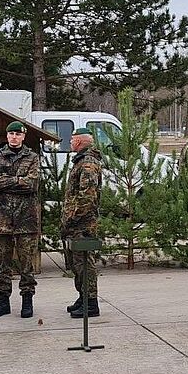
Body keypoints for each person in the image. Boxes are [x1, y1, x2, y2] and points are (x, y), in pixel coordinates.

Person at [0, 121, 41, 318]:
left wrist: (6, 182)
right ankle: (3, 301)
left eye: (18, 134)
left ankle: (27, 300)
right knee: (2, 264)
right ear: (7, 136)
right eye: (11, 134)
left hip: (26, 220)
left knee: (27, 265)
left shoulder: (32, 157)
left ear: (23, 136)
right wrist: (18, 181)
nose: (14, 137)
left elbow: (32, 183)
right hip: (1, 220)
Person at [62, 128, 103, 318]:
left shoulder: (87, 164)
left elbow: (87, 197)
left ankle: (91, 302)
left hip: (83, 224)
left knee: (85, 263)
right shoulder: (81, 161)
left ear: (79, 142)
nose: (70, 142)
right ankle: (83, 297)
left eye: (72, 139)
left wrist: (71, 217)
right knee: (78, 263)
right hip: (78, 224)